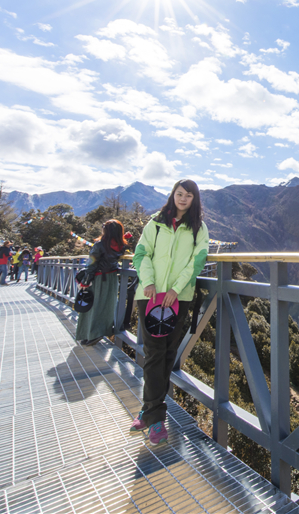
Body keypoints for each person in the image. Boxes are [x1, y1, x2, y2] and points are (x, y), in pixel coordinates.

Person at [129, 179, 209, 445]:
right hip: (150, 296)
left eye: (188, 195)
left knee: (167, 354)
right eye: (179, 193)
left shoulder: (198, 228)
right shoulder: (155, 223)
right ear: (172, 195)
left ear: (194, 199)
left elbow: (197, 260)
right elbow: (141, 254)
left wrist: (176, 288)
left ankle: (148, 411)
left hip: (178, 298)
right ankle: (156, 420)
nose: (183, 199)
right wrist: (149, 281)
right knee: (154, 353)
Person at [75, 220, 127, 346]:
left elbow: (91, 264)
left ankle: (89, 334)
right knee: (107, 306)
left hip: (98, 278)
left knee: (91, 306)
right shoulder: (121, 246)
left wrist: (85, 281)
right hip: (112, 278)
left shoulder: (99, 245)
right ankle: (100, 331)